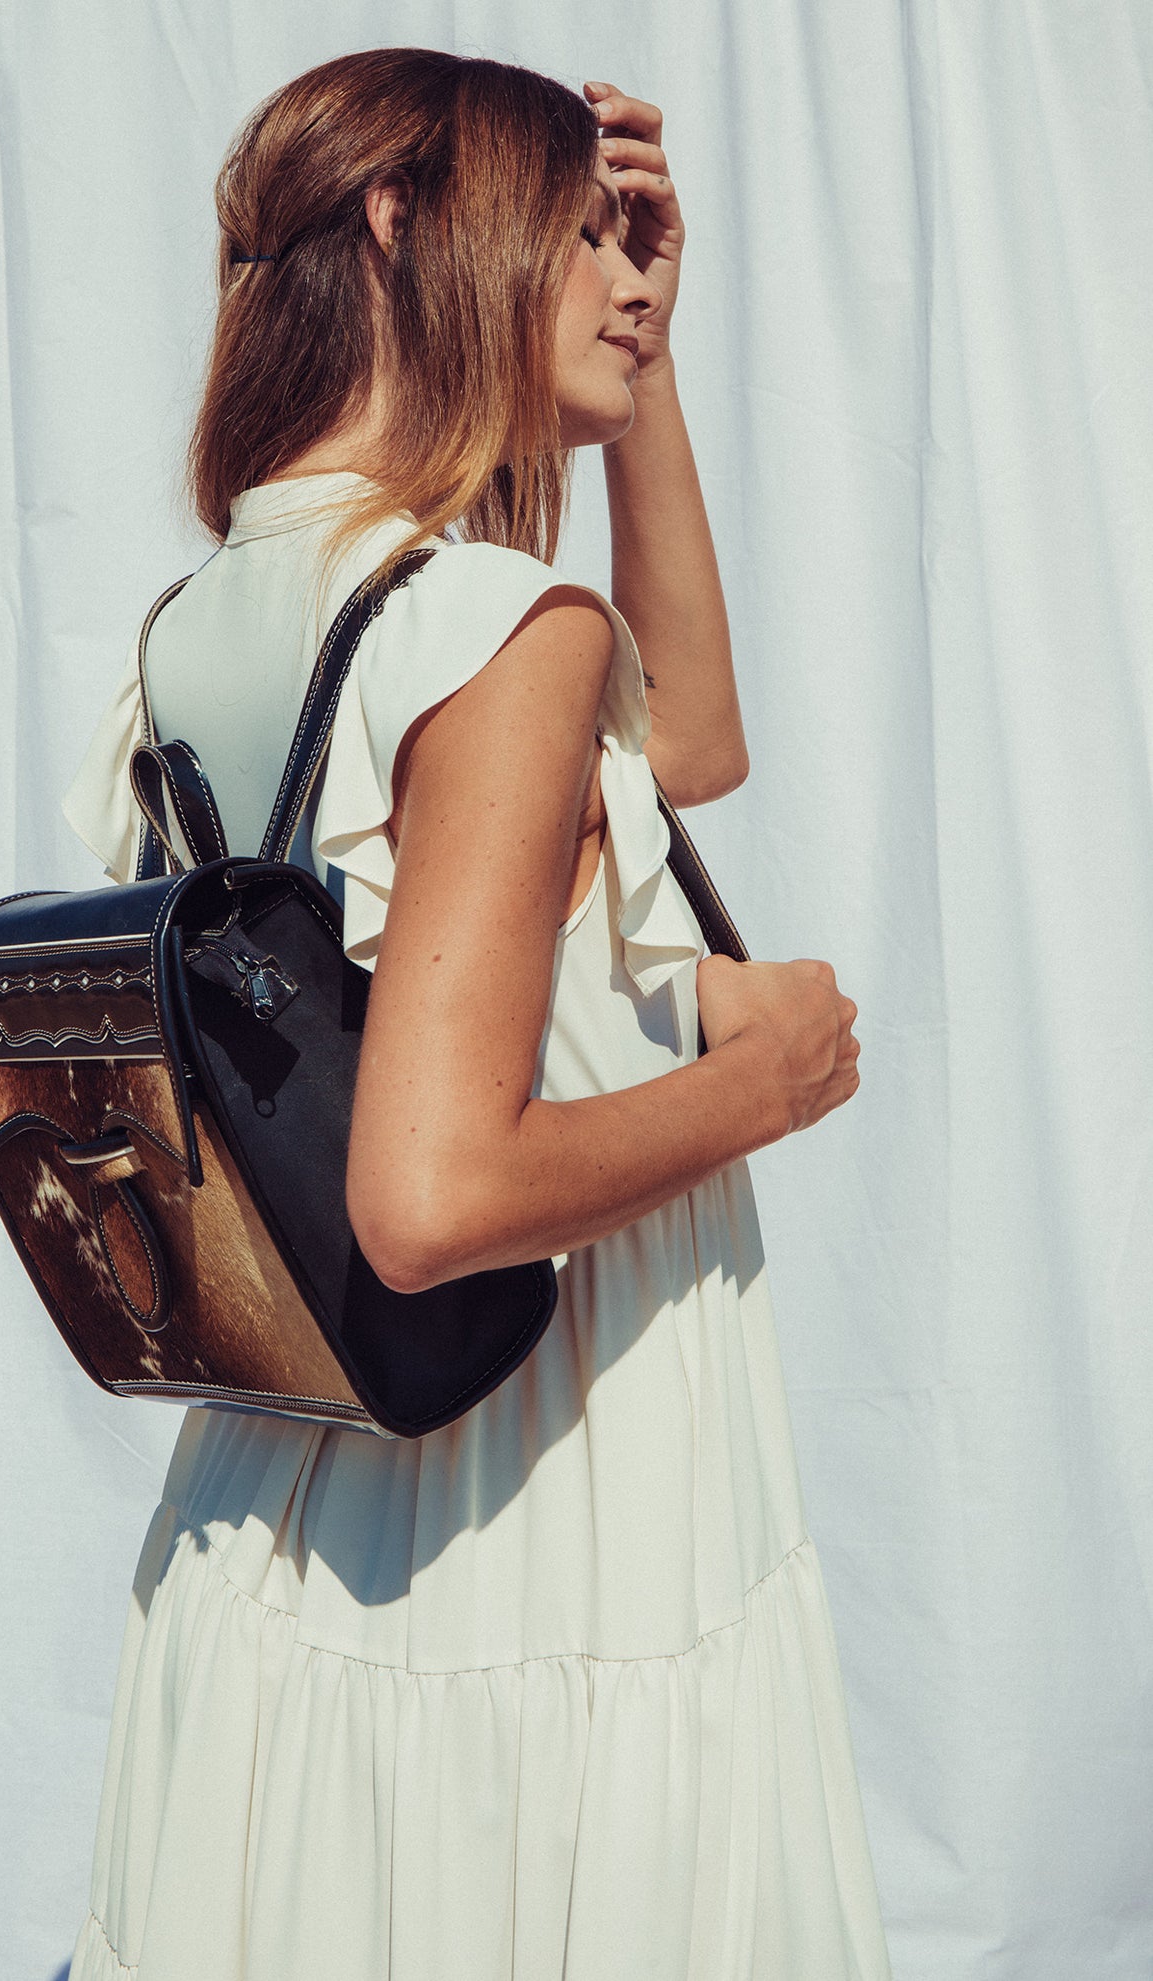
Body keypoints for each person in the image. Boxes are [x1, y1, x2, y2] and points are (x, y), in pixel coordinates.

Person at [60, 47, 891, 1981]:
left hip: (291, 1490)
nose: (628, 275)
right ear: (402, 224)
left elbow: (686, 743)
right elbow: (426, 1194)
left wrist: (642, 371)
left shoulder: (202, 622)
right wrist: (759, 1079)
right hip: (543, 1489)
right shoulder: (496, 627)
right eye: (584, 235)